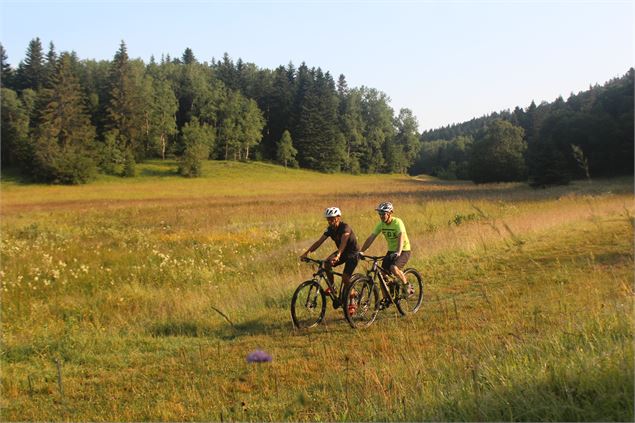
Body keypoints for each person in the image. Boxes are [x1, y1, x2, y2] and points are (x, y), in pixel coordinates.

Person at [300, 207, 360, 307]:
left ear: (338, 218)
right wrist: (306, 253)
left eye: (332, 218)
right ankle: (333, 287)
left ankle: (353, 299)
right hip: (342, 252)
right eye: (328, 219)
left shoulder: (345, 227)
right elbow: (319, 242)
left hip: (353, 253)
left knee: (345, 278)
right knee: (326, 263)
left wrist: (338, 255)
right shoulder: (330, 229)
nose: (330, 221)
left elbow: (343, 242)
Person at [359, 201, 411, 293]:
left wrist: (398, 252)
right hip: (391, 251)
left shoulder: (397, 222)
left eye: (384, 214)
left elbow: (401, 237)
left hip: (403, 250)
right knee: (382, 275)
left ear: (390, 213)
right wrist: (361, 251)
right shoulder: (381, 224)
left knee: (394, 268)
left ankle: (407, 286)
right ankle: (386, 298)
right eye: (380, 214)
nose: (381, 216)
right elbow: (371, 238)